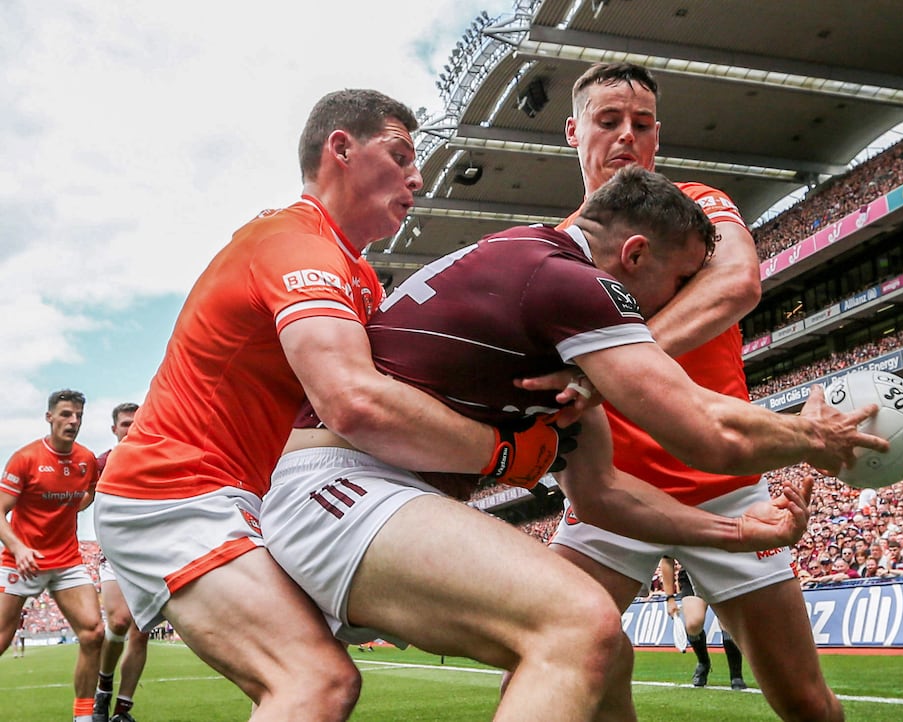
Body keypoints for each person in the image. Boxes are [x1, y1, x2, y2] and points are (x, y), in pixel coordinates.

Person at [265, 165, 886, 722]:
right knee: (579, 623)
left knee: (603, 648)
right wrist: (812, 435)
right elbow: (705, 431)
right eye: (680, 278)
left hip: (360, 496)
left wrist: (737, 534)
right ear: (636, 254)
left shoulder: (539, 292)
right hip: (343, 489)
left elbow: (602, 494)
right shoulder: (570, 283)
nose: (679, 298)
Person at [93, 89, 566, 721]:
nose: (418, 175)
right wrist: (505, 454)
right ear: (339, 148)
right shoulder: (293, 243)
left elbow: (396, 398)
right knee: (313, 682)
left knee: (344, 674)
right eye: (399, 154)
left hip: (243, 495)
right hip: (174, 491)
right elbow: (355, 404)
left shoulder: (359, 277)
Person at [543, 62, 848, 721]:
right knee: (574, 661)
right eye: (608, 121)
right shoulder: (555, 248)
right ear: (573, 131)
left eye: (642, 124)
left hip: (725, 481)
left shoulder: (698, 204)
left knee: (805, 702)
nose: (627, 135)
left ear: (658, 137)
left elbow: (738, 282)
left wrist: (609, 367)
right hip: (610, 497)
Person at [0, 389, 104, 722]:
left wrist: (72, 508)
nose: (72, 421)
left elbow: (88, 493)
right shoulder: (25, 458)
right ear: (50, 417)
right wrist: (17, 546)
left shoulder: (86, 460)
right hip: (22, 561)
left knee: (93, 632)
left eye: (78, 416)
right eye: (65, 414)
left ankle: (83, 716)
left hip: (67, 561)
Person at [93, 403, 147, 722]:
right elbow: (80, 495)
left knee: (141, 632)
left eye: (136, 422)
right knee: (118, 622)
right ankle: (103, 686)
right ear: (114, 429)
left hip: (148, 558)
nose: (131, 428)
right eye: (125, 423)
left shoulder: (157, 456)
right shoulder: (103, 462)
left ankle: (122, 711)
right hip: (113, 556)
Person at [658, 557, 747, 690]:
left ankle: (736, 675)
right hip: (691, 574)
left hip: (722, 573)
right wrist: (670, 598)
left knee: (727, 623)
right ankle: (703, 662)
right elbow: (667, 559)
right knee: (693, 624)